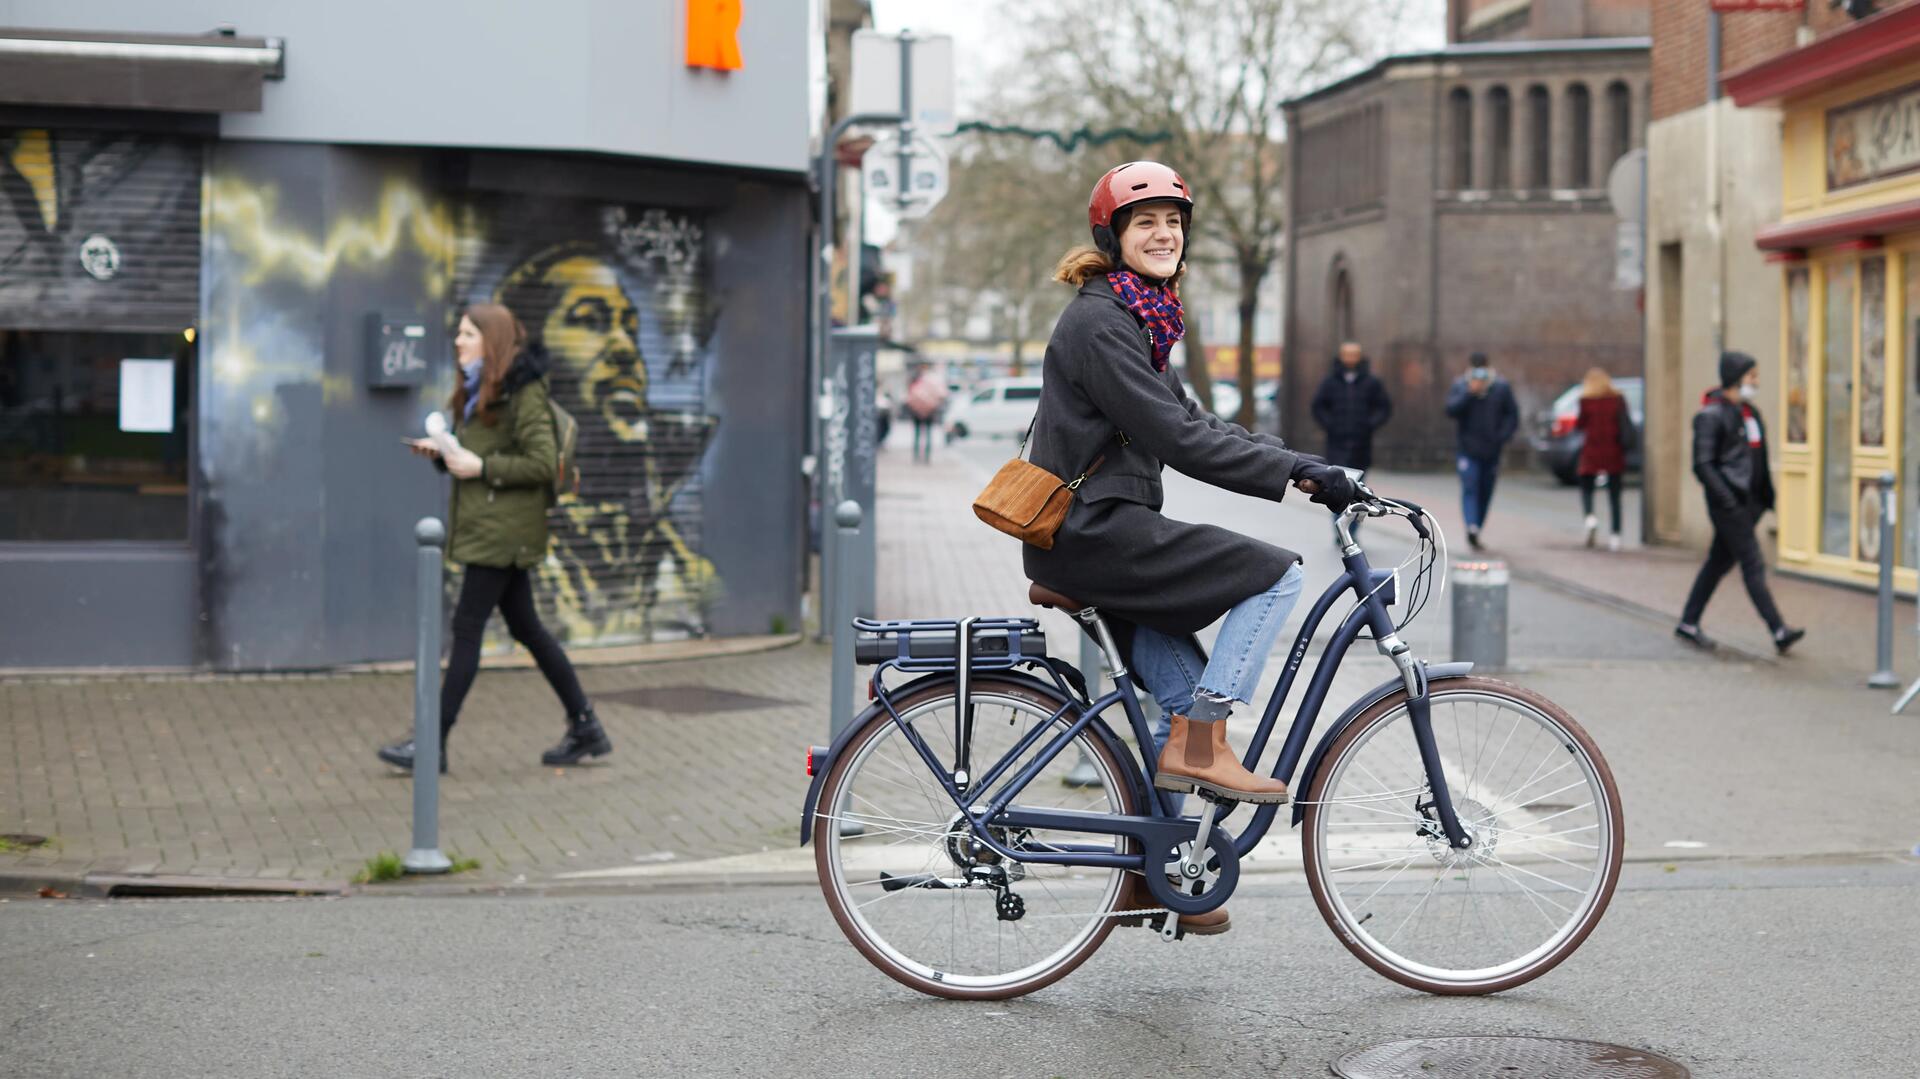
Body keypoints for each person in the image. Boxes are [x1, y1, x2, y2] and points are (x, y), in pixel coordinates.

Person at [1022, 161, 1356, 935]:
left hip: (1103, 533)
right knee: (1274, 577)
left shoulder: (1137, 320)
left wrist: (1302, 466)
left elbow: (1197, 423)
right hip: (1095, 533)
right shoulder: (1101, 323)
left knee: (1177, 697)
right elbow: (1176, 437)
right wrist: (1293, 471)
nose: (1164, 233)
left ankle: (1156, 876)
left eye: (1173, 222)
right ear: (1114, 239)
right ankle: (1204, 748)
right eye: (1146, 223)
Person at [378, 304, 613, 773]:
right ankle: (585, 725)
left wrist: (482, 468)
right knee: (528, 629)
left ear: (493, 340)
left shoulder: (521, 392)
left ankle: (432, 743)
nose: (458, 342)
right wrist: (445, 456)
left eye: (467, 334)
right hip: (495, 527)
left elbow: (543, 462)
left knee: (468, 629)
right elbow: (479, 455)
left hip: (505, 533)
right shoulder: (479, 389)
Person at [1676, 352, 1805, 655]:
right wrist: (1727, 500)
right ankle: (1778, 629)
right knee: (1752, 563)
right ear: (1736, 377)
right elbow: (1703, 464)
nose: (1757, 382)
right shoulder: (1710, 415)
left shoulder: (1750, 413)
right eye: (1752, 376)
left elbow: (1756, 458)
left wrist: (1765, 499)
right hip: (1729, 505)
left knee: (1717, 563)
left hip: (1750, 505)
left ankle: (1688, 622)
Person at [1444, 354, 1519, 549]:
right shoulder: (1461, 385)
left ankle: (1477, 527)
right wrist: (1469, 393)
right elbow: (1451, 409)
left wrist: (1502, 436)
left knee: (1485, 491)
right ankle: (1471, 526)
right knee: (1470, 487)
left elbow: (1512, 415)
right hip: (1467, 449)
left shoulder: (1500, 387)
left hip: (1491, 450)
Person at [1309, 342, 1392, 473]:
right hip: (1336, 439)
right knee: (1337, 474)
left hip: (1362, 440)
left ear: (1360, 357)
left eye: (1354, 355)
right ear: (1341, 356)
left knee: (1359, 474)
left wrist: (1369, 424)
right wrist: (1330, 424)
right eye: (1347, 355)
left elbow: (1383, 407)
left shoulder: (1371, 382)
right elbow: (1318, 406)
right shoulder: (1330, 382)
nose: (1350, 358)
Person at [1574, 367, 1632, 551]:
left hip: (1592, 451)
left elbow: (1579, 425)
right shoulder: (1617, 400)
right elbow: (1625, 424)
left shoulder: (1586, 401)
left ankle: (1590, 517)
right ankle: (1615, 535)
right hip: (1613, 451)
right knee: (1615, 496)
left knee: (1586, 487)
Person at [904, 365, 948, 464]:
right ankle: (926, 457)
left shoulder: (915, 382)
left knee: (917, 435)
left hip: (917, 413)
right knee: (927, 434)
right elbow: (941, 395)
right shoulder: (933, 383)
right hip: (929, 412)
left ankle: (916, 457)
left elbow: (909, 398)